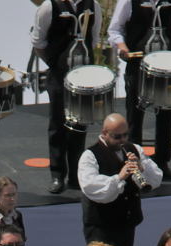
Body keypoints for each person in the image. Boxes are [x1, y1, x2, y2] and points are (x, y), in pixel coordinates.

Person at [107, 0, 171, 180]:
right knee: (135, 118)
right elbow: (115, 29)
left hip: (166, 66)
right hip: (138, 65)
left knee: (165, 116)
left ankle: (162, 163)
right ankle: (133, 166)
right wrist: (122, 47)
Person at [79, 113, 163, 246]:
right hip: (101, 228)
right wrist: (119, 177)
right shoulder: (90, 156)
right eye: (117, 136)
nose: (122, 140)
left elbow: (156, 179)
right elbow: (92, 189)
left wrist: (142, 167)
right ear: (104, 133)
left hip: (125, 224)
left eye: (125, 135)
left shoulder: (134, 149)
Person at [31, 0, 103, 194]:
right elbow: (38, 42)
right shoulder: (49, 7)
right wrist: (55, 62)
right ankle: (57, 175)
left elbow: (94, 39)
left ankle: (75, 175)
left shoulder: (92, 5)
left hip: (83, 76)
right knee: (58, 124)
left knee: (80, 125)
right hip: (59, 75)